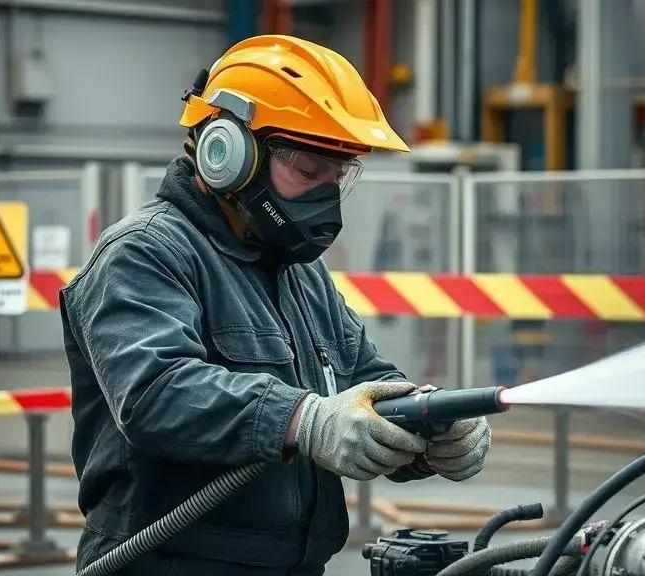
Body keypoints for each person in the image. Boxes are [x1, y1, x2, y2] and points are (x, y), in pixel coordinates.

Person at [60, 35, 491, 575]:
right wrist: (301, 420)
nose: (325, 201)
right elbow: (155, 393)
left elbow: (362, 380)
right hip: (168, 563)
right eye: (309, 173)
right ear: (226, 154)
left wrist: (430, 428)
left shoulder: (298, 270)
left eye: (337, 178)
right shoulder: (145, 253)